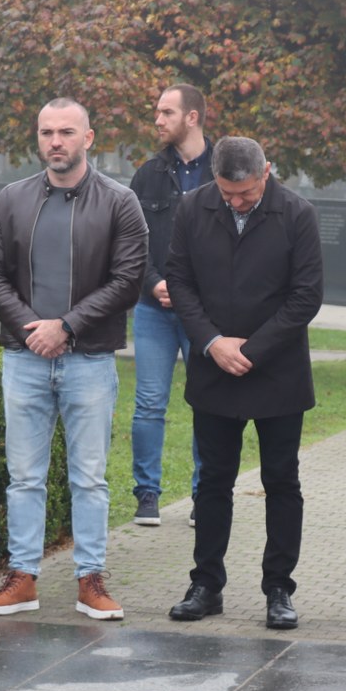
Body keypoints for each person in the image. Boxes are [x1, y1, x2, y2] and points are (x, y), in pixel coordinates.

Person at [0, 98, 147, 619]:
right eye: (46, 132)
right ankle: (22, 578)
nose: (55, 141)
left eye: (66, 132)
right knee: (24, 476)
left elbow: (128, 281)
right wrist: (33, 330)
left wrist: (66, 326)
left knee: (89, 478)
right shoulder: (12, 199)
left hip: (89, 359)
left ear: (88, 138)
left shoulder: (120, 202)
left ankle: (90, 579)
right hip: (24, 357)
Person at [164, 136, 324, 629]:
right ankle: (206, 584)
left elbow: (306, 296)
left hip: (277, 370)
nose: (235, 203)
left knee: (281, 480)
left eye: (246, 194)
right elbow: (180, 282)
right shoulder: (192, 209)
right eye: (227, 193)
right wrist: (213, 343)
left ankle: (279, 588)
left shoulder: (297, 214)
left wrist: (250, 350)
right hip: (214, 368)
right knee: (213, 480)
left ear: (266, 172)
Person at [127, 84, 212, 527]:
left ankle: (204, 496)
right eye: (157, 112)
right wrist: (154, 283)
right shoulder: (147, 175)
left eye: (166, 112)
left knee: (207, 403)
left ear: (192, 117)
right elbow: (129, 243)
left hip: (206, 314)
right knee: (148, 404)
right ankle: (147, 494)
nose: (157, 120)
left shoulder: (224, 169)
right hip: (153, 310)